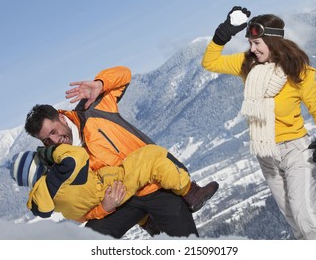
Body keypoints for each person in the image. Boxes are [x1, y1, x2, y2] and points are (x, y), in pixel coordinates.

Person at [201, 6, 316, 240]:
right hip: (266, 154)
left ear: (273, 41)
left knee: (306, 216)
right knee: (295, 223)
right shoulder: (247, 65)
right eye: (250, 43)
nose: (252, 49)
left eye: (257, 43)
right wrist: (224, 33)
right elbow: (209, 62)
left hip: (295, 151)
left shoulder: (297, 71)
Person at [24, 66, 219, 238]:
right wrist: (104, 207)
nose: (55, 141)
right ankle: (146, 221)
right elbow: (76, 207)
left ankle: (188, 196)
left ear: (61, 117)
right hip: (121, 204)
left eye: (54, 132)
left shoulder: (93, 109)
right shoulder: (57, 164)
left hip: (156, 186)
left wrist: (100, 83)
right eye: (46, 140)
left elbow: (124, 75)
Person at [11, 143, 215, 229]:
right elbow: (78, 156)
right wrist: (51, 152)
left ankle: (150, 224)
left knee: (140, 190)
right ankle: (190, 193)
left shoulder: (56, 204)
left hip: (110, 199)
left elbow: (85, 216)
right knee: (153, 157)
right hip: (116, 183)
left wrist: (105, 208)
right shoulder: (61, 176)